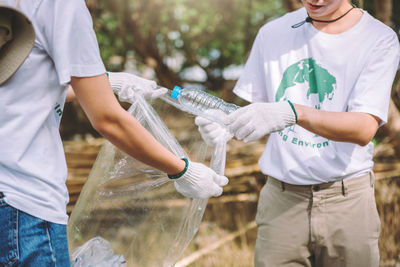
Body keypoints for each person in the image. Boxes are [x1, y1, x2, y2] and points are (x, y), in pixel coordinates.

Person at [0, 0, 228, 266]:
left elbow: (23, 94)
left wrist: (105, 81)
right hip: (22, 206)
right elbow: (108, 120)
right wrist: (182, 169)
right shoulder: (59, 4)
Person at [195, 0, 400, 266]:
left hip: (348, 201)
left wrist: (294, 112)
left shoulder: (378, 38)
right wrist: (226, 127)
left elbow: (364, 128)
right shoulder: (273, 33)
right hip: (282, 201)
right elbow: (259, 114)